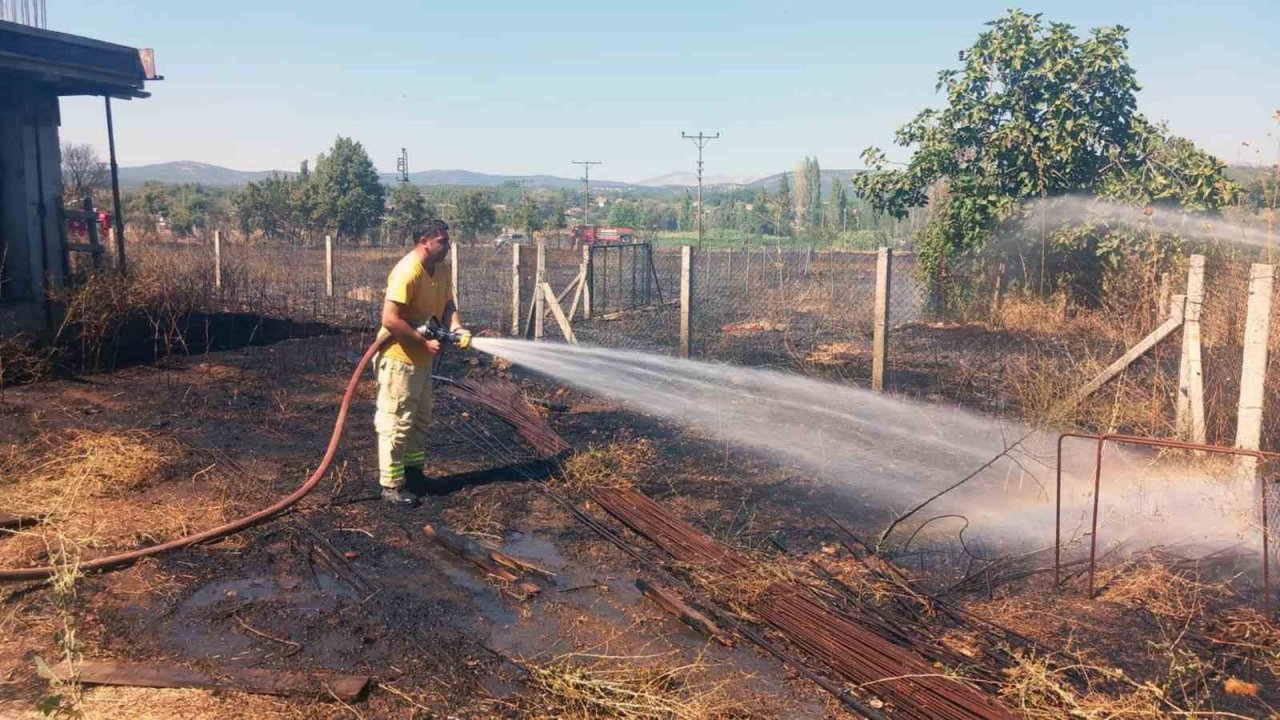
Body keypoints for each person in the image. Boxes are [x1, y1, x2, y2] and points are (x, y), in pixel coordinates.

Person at [374, 218, 467, 506]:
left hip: (421, 360)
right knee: (396, 422)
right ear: (423, 242)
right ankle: (391, 485)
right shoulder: (407, 271)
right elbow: (390, 320)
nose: (448, 246)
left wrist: (457, 327)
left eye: (448, 241)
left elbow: (448, 304)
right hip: (399, 359)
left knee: (419, 419)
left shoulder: (441, 268)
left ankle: (414, 475)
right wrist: (423, 342)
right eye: (442, 241)